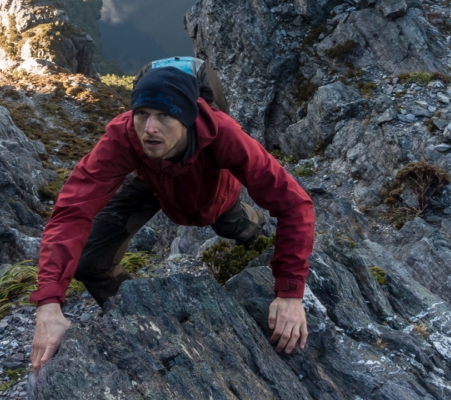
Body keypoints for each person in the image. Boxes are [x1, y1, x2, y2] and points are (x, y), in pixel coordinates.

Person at [29, 60, 315, 376]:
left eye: (165, 115)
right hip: (151, 182)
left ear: (189, 118)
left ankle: (255, 230)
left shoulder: (224, 136)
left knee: (233, 225)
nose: (149, 128)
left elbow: (294, 204)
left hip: (213, 196)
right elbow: (72, 211)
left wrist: (289, 293)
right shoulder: (124, 137)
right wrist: (49, 304)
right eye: (142, 114)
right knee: (89, 262)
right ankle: (142, 317)